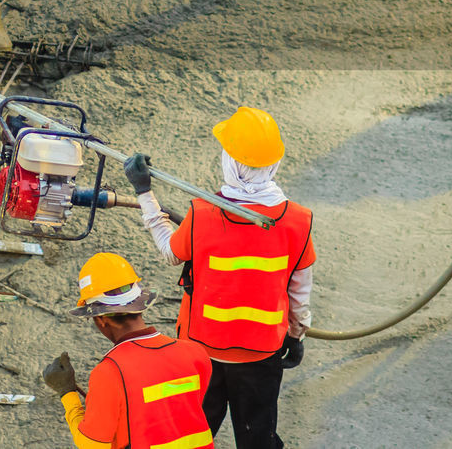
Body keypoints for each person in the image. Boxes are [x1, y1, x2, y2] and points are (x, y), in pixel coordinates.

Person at [125, 107, 314, 449]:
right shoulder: (298, 221)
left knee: (190, 437)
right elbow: (300, 293)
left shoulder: (203, 212)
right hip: (261, 356)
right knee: (258, 439)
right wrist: (297, 335)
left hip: (200, 354)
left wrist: (144, 192)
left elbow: (170, 251)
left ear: (230, 162)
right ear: (274, 163)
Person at [42, 253, 212, 449]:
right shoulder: (195, 354)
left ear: (101, 319)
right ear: (140, 305)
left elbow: (92, 445)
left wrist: (67, 392)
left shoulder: (110, 372)